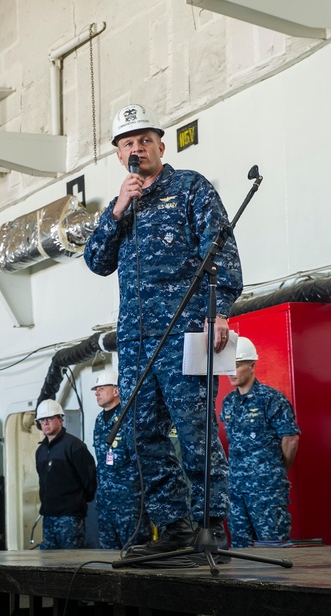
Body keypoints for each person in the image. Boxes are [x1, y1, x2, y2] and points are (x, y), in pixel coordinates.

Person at [84, 103, 242, 557]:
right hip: (135, 342)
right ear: (119, 155)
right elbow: (96, 262)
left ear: (160, 145)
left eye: (145, 140)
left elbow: (222, 253)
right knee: (141, 433)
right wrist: (117, 209)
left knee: (196, 431)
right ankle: (174, 526)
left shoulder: (191, 188)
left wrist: (220, 311)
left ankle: (211, 527)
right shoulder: (121, 205)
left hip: (186, 331)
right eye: (128, 143)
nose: (137, 149)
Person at [220, 337, 300, 547]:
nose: (231, 372)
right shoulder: (228, 402)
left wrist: (275, 471)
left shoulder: (271, 399)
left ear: (252, 365)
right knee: (240, 548)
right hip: (236, 489)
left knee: (273, 545)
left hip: (266, 489)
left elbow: (290, 439)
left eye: (236, 366)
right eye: (229, 366)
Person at [90, 371, 151, 550]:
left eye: (101, 388)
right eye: (96, 389)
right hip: (106, 505)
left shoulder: (130, 418)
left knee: (135, 555)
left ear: (116, 391)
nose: (96, 393)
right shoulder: (99, 421)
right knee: (107, 557)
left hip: (129, 505)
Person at [34, 399, 97, 549]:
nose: (46, 423)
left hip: (70, 518)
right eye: (42, 419)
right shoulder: (41, 451)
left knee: (72, 562)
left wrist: (78, 502)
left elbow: (89, 478)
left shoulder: (74, 446)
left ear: (61, 419)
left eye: (50, 418)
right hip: (48, 517)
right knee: (50, 564)